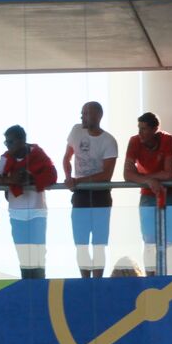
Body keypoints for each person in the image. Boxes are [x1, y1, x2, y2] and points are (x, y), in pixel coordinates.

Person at [63, 101, 118, 278]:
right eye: (82, 113)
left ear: (98, 116)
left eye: (86, 113)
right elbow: (67, 157)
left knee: (99, 243)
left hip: (101, 195)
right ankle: (85, 280)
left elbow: (106, 175)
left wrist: (78, 181)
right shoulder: (76, 130)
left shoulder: (109, 140)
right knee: (81, 242)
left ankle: (98, 281)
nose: (82, 117)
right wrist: (69, 176)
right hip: (80, 195)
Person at [0, 125, 57, 279]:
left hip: (38, 212)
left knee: (38, 252)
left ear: (22, 141)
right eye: (6, 143)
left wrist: (32, 179)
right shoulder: (6, 157)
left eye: (10, 142)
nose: (8, 146)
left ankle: (39, 285)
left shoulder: (38, 154)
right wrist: (10, 179)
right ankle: (27, 284)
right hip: (17, 213)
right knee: (22, 253)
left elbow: (52, 174)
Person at [122, 112, 172, 276]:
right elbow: (126, 174)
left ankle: (170, 276)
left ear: (155, 129)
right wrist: (150, 181)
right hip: (148, 194)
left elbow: (169, 173)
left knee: (171, 241)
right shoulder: (134, 141)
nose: (140, 133)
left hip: (170, 193)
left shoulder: (167, 139)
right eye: (139, 128)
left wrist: (143, 178)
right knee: (149, 241)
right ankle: (150, 278)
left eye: (144, 129)